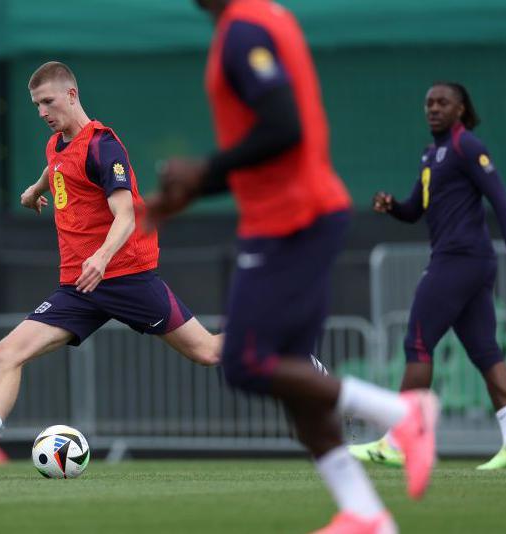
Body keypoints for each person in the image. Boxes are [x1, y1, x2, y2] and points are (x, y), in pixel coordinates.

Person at [146, 1, 441, 532]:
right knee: (292, 375)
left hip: (292, 220)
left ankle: (403, 415)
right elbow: (266, 144)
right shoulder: (260, 19)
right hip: (294, 215)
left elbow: (285, 126)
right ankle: (364, 512)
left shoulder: (243, 30)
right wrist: (197, 187)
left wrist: (204, 168)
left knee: (244, 362)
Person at [0, 61, 222, 475]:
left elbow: (126, 215)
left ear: (71, 96)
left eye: (47, 101)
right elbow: (58, 165)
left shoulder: (104, 146)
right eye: (36, 104)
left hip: (125, 276)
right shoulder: (58, 143)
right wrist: (36, 189)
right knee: (5, 353)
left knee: (207, 351)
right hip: (80, 286)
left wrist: (100, 257)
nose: (41, 111)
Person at [350, 82, 506, 471]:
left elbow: (500, 198)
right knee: (485, 351)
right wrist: (393, 207)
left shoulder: (466, 145)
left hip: (458, 259)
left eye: (443, 102)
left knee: (417, 343)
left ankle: (399, 442)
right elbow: (416, 209)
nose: (433, 108)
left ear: (461, 109)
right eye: (429, 103)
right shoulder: (431, 153)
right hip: (466, 261)